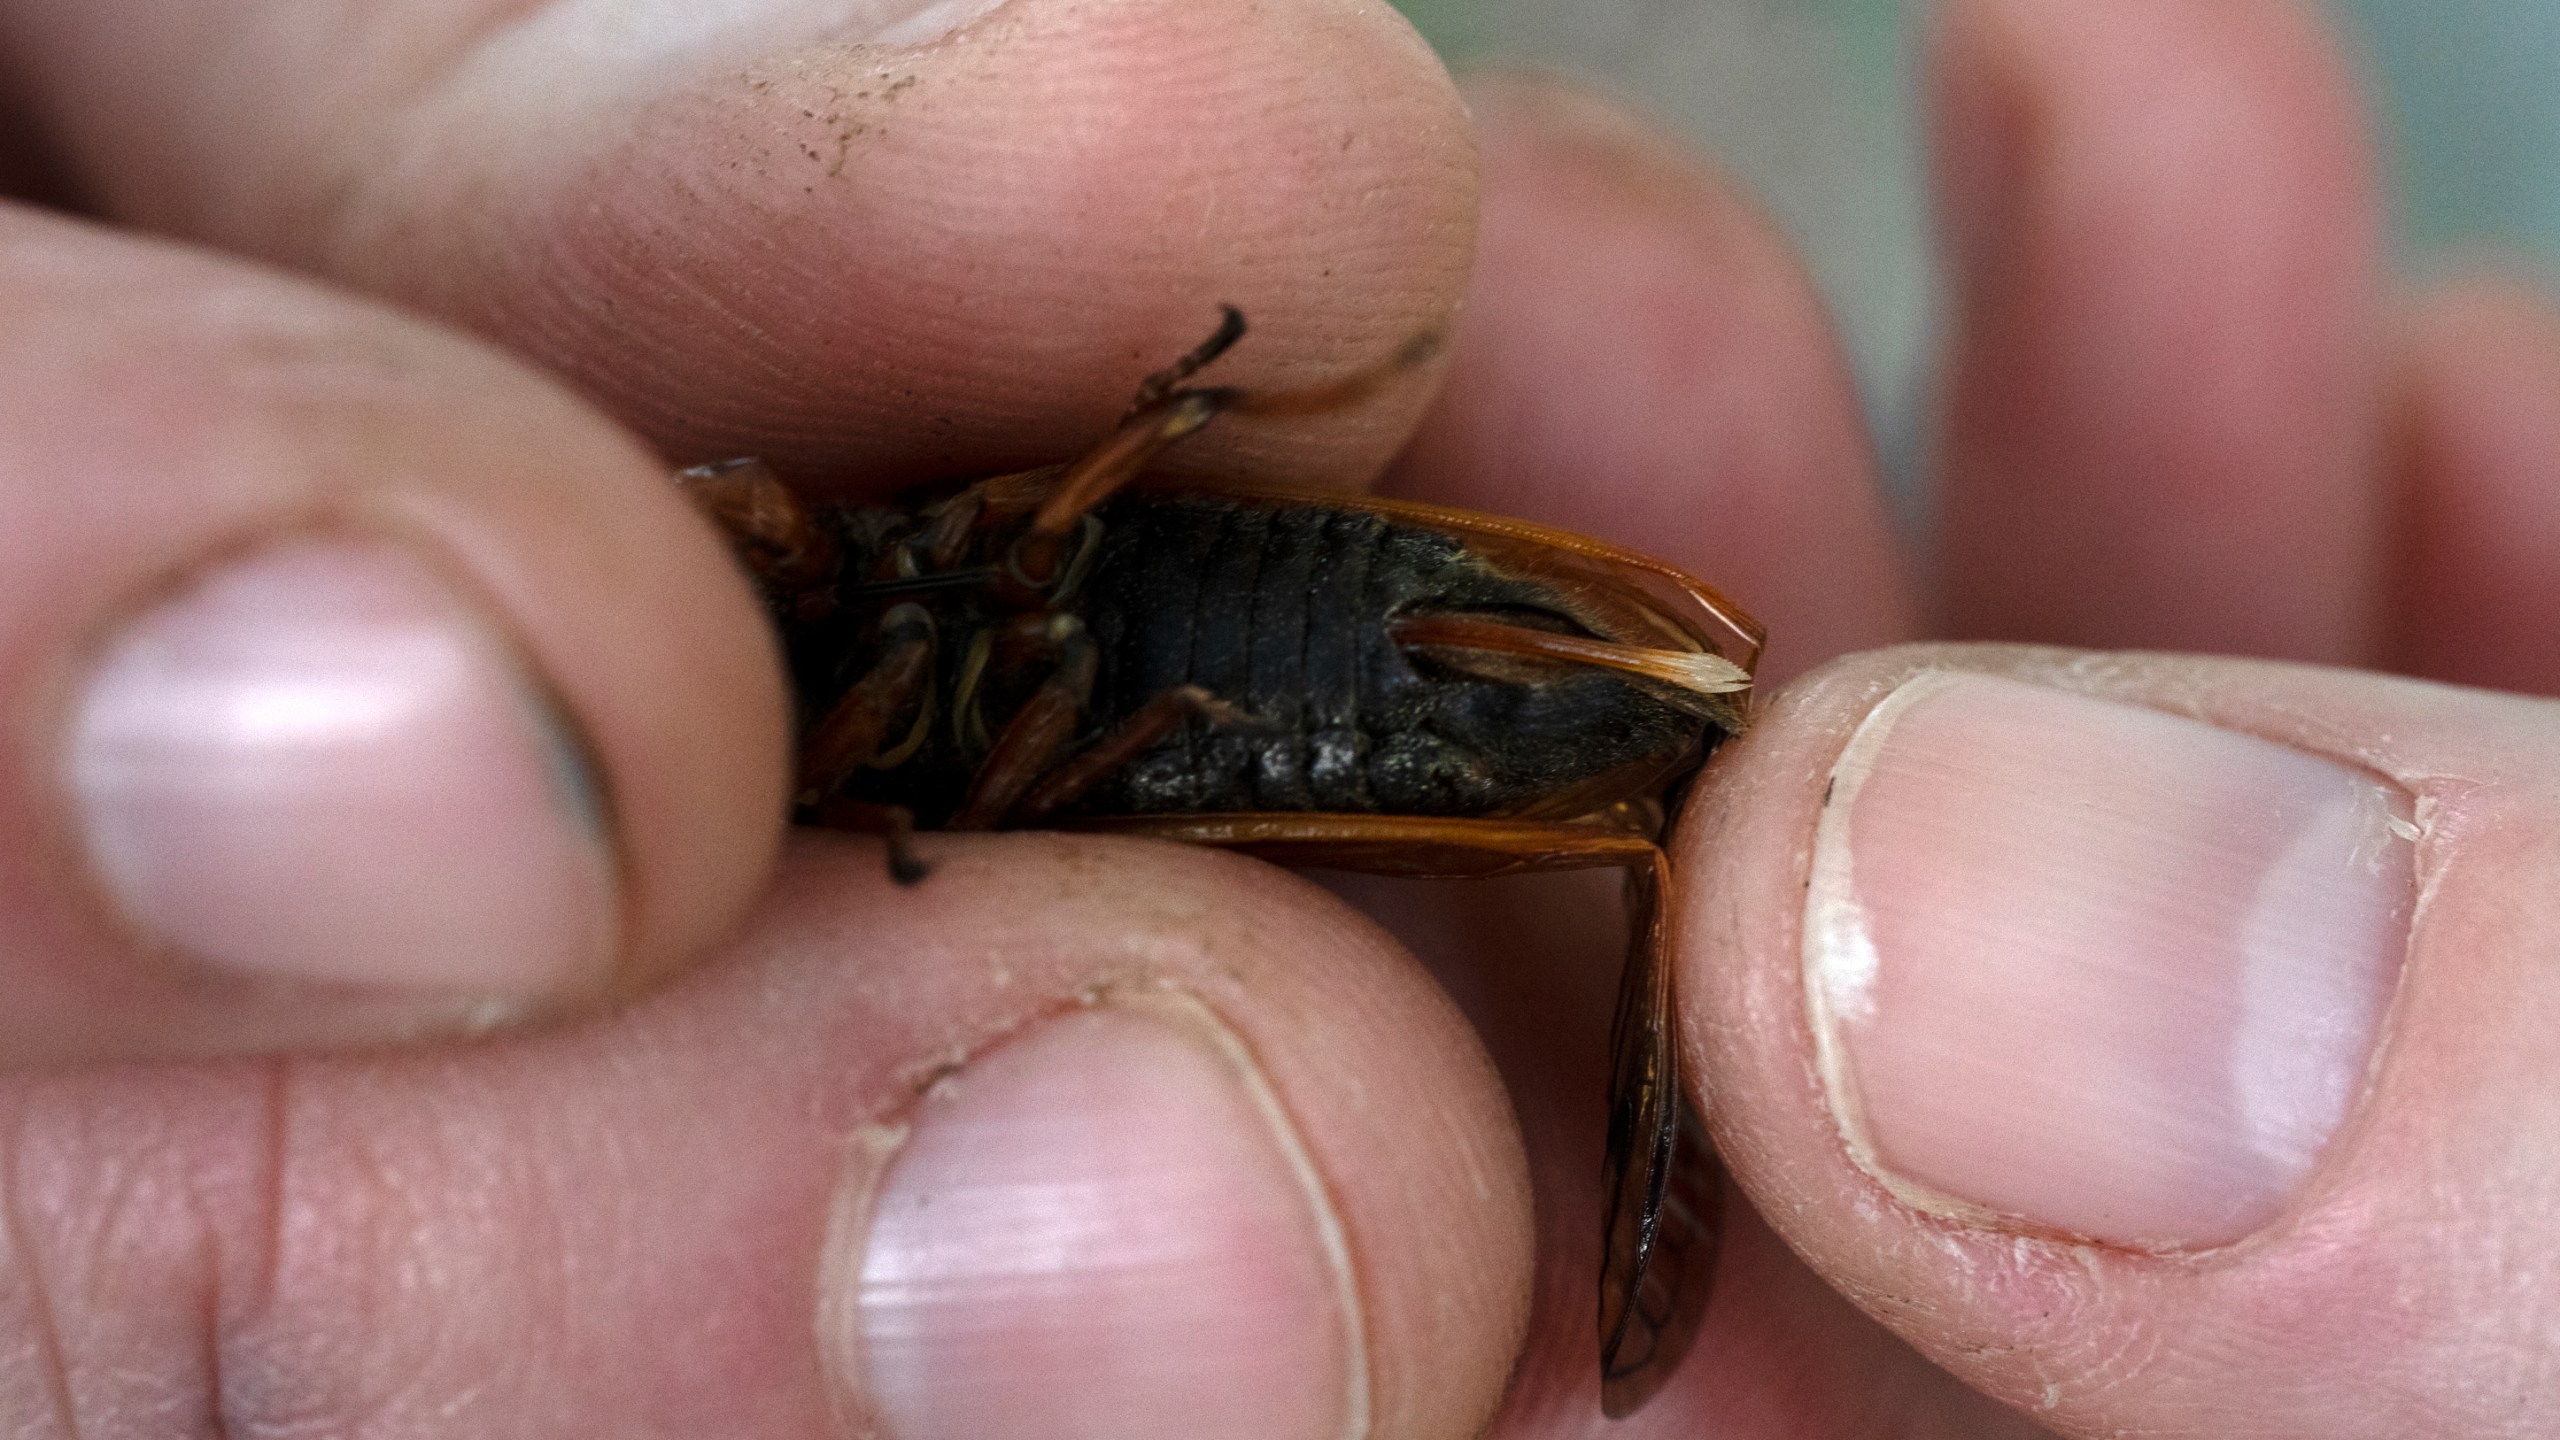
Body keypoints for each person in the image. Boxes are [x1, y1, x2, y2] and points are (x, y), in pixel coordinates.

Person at [0, 0, 2552, 1433]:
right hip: (1204, 737)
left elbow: (957, 551)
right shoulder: (798, 762)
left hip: (1248, 630)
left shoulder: (812, 561)